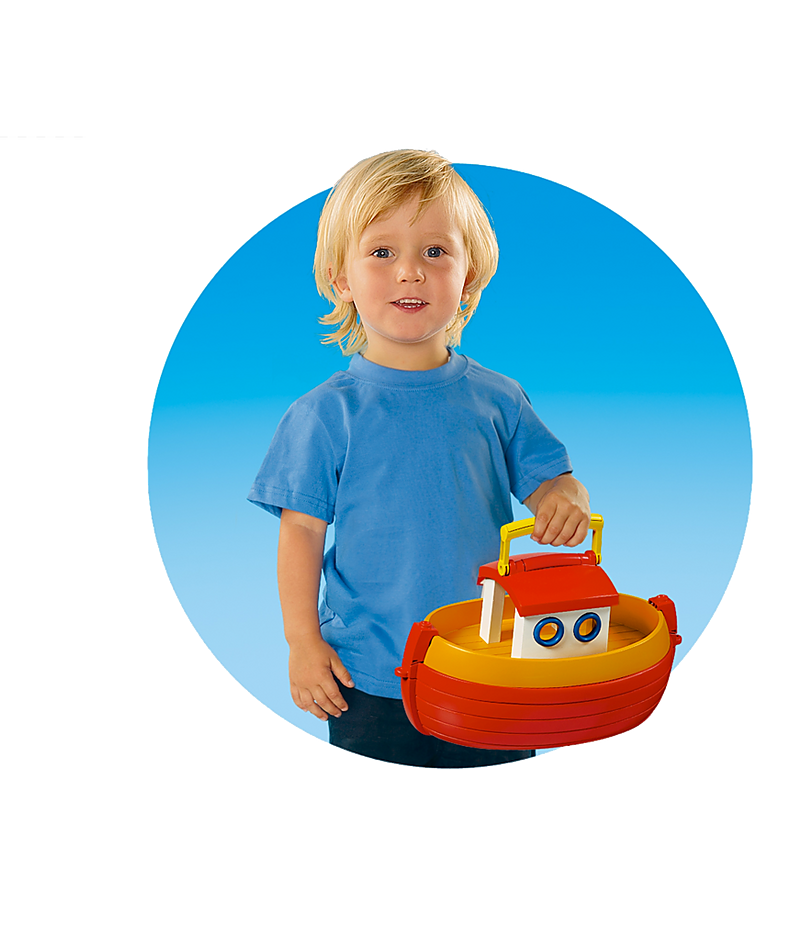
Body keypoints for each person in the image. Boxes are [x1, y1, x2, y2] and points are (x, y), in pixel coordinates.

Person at [247, 147, 592, 768]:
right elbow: (301, 532)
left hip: (493, 658)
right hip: (370, 674)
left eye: (435, 251)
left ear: (468, 277)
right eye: (382, 252)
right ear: (342, 280)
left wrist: (564, 499)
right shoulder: (324, 415)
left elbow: (551, 480)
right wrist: (302, 641)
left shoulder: (498, 399)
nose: (410, 272)